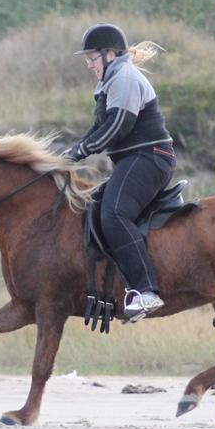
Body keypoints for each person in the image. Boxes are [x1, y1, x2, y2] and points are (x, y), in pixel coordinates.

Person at [64, 22, 176, 321]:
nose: (89, 64)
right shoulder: (111, 80)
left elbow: (118, 126)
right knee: (95, 208)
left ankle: (147, 291)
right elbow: (100, 127)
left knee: (113, 212)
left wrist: (82, 151)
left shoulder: (124, 78)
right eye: (87, 59)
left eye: (91, 58)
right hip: (135, 159)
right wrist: (71, 152)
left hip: (149, 157)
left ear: (110, 53)